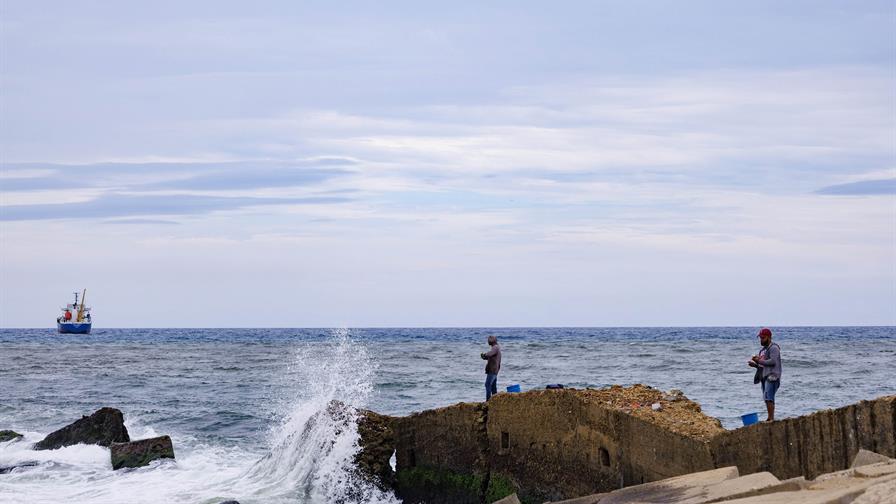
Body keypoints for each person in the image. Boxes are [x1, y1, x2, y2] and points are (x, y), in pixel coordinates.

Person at [748, 327, 782, 421]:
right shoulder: (762, 350)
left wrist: (759, 360)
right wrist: (755, 364)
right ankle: (770, 418)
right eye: (760, 338)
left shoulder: (774, 348)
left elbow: (772, 362)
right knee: (766, 397)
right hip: (764, 376)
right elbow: (763, 366)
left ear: (769, 337)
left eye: (763, 338)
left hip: (772, 376)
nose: (761, 340)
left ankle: (770, 418)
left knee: (768, 397)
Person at [480, 335, 502, 401]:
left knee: (488, 385)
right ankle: (495, 401)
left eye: (489, 340)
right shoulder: (496, 348)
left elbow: (490, 354)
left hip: (492, 370)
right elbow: (491, 356)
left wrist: (485, 355)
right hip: (495, 370)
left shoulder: (495, 347)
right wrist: (485, 357)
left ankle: (488, 401)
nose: (488, 341)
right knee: (493, 386)